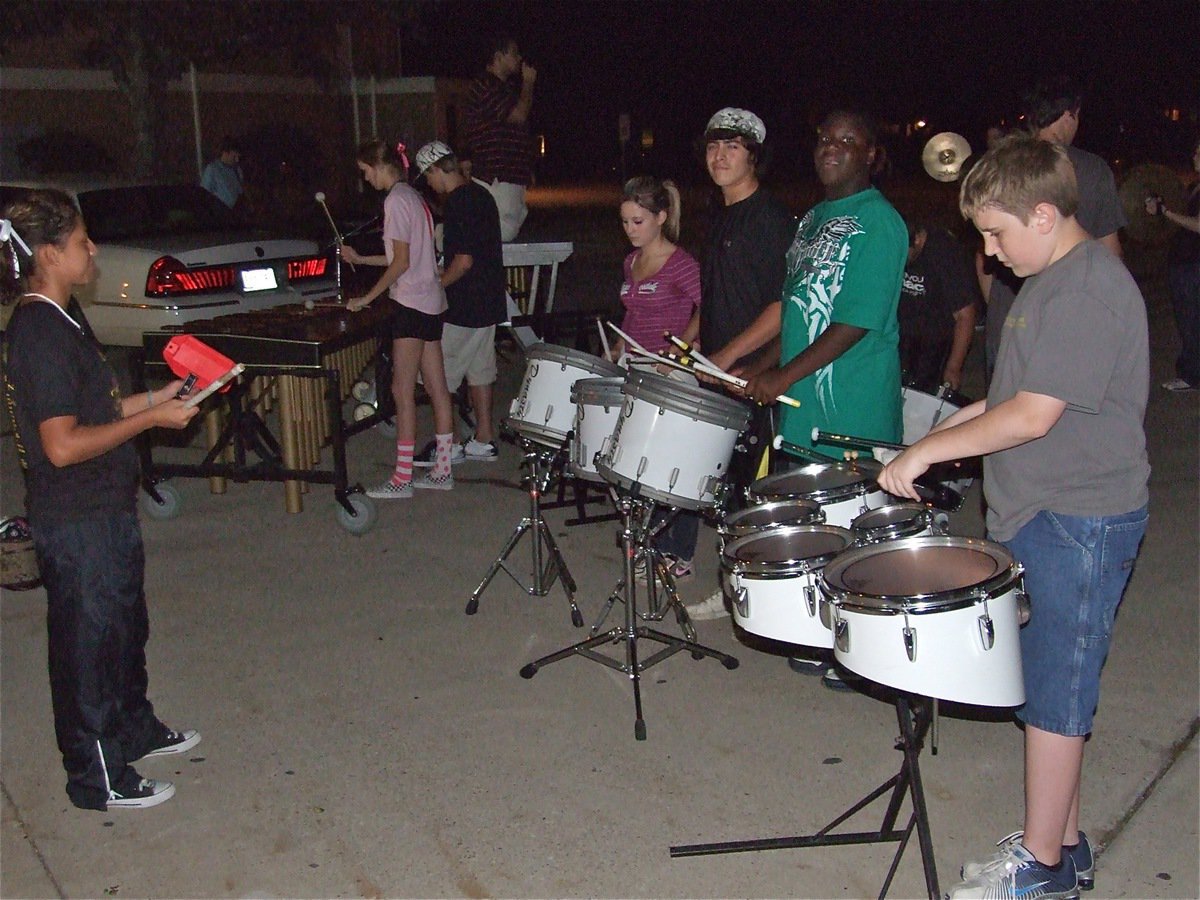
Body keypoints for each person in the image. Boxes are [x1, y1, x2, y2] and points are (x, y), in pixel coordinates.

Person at [880, 134, 1149, 899]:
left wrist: (931, 459)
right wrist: (939, 429)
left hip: (1081, 517)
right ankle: (1063, 841)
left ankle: (1043, 870)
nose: (989, 253)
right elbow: (1006, 396)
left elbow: (1033, 416)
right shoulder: (1044, 283)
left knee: (1059, 697)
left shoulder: (1089, 286)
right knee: (1043, 688)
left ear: (1043, 213)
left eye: (996, 233)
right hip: (1042, 512)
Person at [1, 189, 202, 811]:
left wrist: (161, 396)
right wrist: (152, 423)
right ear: (50, 254)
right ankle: (97, 776)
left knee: (122, 632)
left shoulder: (65, 317)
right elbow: (60, 446)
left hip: (105, 509)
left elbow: (97, 409)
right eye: (83, 242)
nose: (93, 250)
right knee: (87, 650)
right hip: (76, 517)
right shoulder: (37, 331)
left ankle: (133, 729)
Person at [736, 110, 907, 688]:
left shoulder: (880, 222)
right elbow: (795, 312)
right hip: (802, 407)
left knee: (854, 532)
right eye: (824, 138)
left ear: (870, 153)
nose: (831, 148)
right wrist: (751, 369)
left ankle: (858, 651)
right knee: (815, 527)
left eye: (847, 141)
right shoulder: (811, 219)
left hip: (851, 408)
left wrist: (781, 378)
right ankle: (819, 633)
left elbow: (854, 321)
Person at [677, 107, 796, 621]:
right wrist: (687, 348)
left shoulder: (769, 218)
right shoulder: (719, 213)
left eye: (732, 146)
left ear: (754, 156)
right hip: (719, 372)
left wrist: (725, 357)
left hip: (754, 377)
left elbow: (782, 306)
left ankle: (741, 593)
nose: (719, 156)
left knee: (751, 489)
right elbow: (712, 297)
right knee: (720, 484)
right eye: (712, 146)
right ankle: (735, 584)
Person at [983, 76, 1126, 386]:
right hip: (1068, 324)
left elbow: (983, 259)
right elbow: (1109, 254)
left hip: (1007, 322)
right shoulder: (1090, 170)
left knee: (1003, 415)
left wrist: (1001, 315)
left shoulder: (997, 165)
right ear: (1069, 114)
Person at [341, 139, 456, 497]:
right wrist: (361, 260)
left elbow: (402, 264)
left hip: (410, 304)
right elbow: (406, 257)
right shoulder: (414, 198)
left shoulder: (394, 201)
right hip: (432, 301)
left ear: (378, 166)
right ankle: (442, 470)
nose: (366, 180)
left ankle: (402, 477)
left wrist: (366, 298)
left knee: (400, 390)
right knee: (437, 388)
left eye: (365, 172)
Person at [612, 175, 702, 578]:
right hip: (637, 366)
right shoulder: (632, 261)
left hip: (671, 371)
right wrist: (618, 346)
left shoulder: (682, 264)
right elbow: (634, 311)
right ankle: (647, 542)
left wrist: (682, 347)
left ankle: (678, 551)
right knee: (635, 459)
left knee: (674, 463)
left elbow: (708, 307)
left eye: (638, 222)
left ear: (661, 217)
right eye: (626, 222)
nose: (630, 230)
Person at [411, 140, 506, 463]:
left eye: (427, 176)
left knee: (439, 376)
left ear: (437, 170)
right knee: (480, 371)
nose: (428, 183)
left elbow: (463, 261)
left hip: (464, 305)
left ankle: (446, 445)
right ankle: (484, 439)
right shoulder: (481, 195)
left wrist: (437, 284)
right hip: (489, 301)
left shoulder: (458, 202)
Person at [463, 34, 536, 242]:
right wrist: (528, 83)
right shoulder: (486, 86)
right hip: (496, 179)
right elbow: (519, 116)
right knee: (498, 236)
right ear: (498, 56)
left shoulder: (504, 89)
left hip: (510, 178)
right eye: (514, 53)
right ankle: (443, 240)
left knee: (504, 239)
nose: (520, 58)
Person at [897, 217, 980, 392]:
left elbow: (965, 315)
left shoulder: (946, 254)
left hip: (935, 341)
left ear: (918, 239)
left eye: (903, 252)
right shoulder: (896, 244)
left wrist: (953, 367)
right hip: (902, 336)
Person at [1145, 136, 1200, 392]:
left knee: (1190, 322)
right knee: (1189, 320)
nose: (1195, 156)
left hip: (1193, 266)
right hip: (1185, 263)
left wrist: (1167, 213)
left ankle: (1191, 376)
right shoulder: (1195, 186)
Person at [200, 137, 244, 209]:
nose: (237, 160)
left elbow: (240, 192)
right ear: (225, 153)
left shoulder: (237, 170)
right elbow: (204, 195)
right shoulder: (213, 169)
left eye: (238, 157)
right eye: (234, 156)